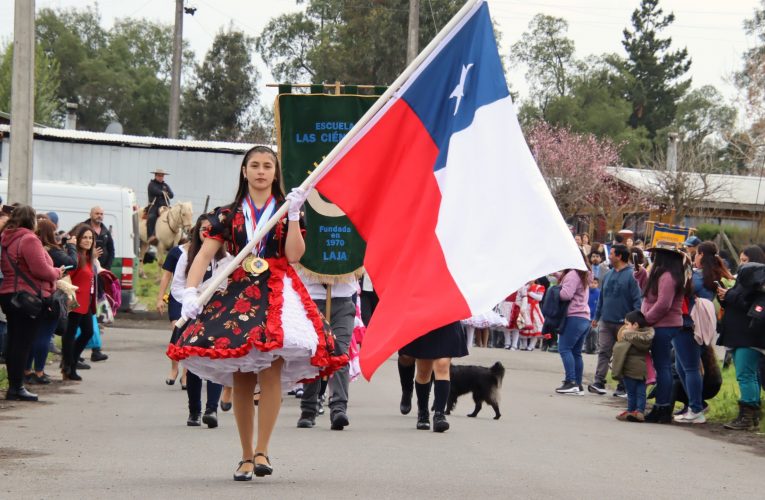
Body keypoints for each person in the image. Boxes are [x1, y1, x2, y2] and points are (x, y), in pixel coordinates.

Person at [166, 146, 346, 481]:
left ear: (275, 173)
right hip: (238, 294)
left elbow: (294, 255)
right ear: (244, 171)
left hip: (279, 291)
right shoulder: (226, 214)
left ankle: (263, 450)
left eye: (267, 166)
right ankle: (245, 454)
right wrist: (191, 292)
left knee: (272, 371)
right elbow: (203, 256)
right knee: (242, 373)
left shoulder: (286, 209)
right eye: (255, 166)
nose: (261, 171)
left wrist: (293, 216)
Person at [171, 215, 229, 428]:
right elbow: (177, 286)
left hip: (217, 315)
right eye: (203, 228)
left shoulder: (226, 259)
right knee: (193, 364)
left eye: (210, 229)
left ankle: (211, 409)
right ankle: (194, 410)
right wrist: (191, 299)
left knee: (216, 361)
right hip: (194, 314)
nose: (207, 232)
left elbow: (230, 285)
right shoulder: (187, 256)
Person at [0, 206, 63, 401]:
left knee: (13, 342)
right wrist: (57, 272)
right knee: (22, 343)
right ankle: (17, 387)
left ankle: (14, 385)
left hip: (9, 294)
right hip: (27, 297)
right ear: (31, 220)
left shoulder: (6, 238)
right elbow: (41, 270)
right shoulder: (28, 239)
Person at [296, 273, 356, 431]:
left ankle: (338, 408)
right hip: (312, 299)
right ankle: (308, 409)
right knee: (313, 353)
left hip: (342, 299)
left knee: (339, 353)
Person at [641, 242, 692, 424]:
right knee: (661, 365)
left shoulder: (668, 277)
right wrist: (640, 274)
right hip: (660, 324)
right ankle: (661, 406)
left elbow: (663, 304)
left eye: (656, 255)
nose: (653, 258)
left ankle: (662, 407)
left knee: (662, 366)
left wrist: (645, 320)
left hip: (664, 325)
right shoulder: (662, 274)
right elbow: (648, 294)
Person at [718, 246, 765, 430]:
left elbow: (748, 304)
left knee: (746, 375)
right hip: (741, 335)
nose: (741, 264)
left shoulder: (757, 282)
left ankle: (747, 417)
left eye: (745, 260)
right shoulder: (747, 280)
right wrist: (725, 296)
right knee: (749, 375)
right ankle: (750, 416)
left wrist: (730, 295)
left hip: (749, 336)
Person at [24, 219, 77, 385]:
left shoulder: (25, 245)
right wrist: (71, 247)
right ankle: (39, 372)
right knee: (44, 336)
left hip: (30, 295)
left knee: (32, 336)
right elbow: (72, 263)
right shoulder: (48, 250)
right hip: (46, 295)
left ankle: (27, 370)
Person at [588, 244, 642, 395]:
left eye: (611, 254)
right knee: (604, 351)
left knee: (622, 354)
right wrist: (597, 317)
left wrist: (634, 322)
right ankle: (599, 381)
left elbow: (637, 300)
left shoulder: (632, 275)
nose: (609, 256)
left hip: (624, 324)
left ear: (619, 256)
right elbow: (602, 298)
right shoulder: (608, 275)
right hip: (606, 321)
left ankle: (622, 386)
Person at [400, 321, 468, 432]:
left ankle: (439, 414)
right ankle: (423, 413)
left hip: (447, 317)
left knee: (442, 365)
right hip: (424, 317)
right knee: (423, 370)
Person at [61, 225, 99, 382]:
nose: (88, 240)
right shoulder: (75, 257)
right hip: (74, 302)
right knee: (69, 335)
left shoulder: (88, 257)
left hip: (86, 303)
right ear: (77, 239)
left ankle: (71, 362)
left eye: (90, 238)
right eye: (85, 237)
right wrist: (70, 299)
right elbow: (65, 277)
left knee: (88, 332)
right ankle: (69, 367)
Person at [555, 251, 592, 395]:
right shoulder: (584, 273)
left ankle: (570, 381)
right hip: (584, 317)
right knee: (576, 352)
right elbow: (573, 285)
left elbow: (566, 294)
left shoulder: (572, 274)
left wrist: (555, 290)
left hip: (573, 316)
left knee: (564, 349)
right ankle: (577, 384)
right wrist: (559, 276)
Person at [611, 311, 654, 422]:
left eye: (627, 324)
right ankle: (639, 411)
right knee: (641, 392)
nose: (625, 327)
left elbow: (619, 351)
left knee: (631, 392)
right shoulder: (646, 338)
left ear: (635, 325)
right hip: (642, 369)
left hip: (629, 369)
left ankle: (631, 410)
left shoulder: (628, 337)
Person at [156, 239, 187, 389]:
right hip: (176, 297)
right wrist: (160, 298)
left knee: (189, 335)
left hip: (195, 298)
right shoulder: (176, 252)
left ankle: (186, 374)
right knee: (177, 330)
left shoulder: (204, 253)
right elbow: (166, 276)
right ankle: (174, 368)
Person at [147, 169, 174, 245]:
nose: (161, 177)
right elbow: (156, 191)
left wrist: (164, 192)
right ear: (155, 176)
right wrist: (163, 192)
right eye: (159, 175)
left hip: (165, 206)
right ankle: (151, 236)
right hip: (155, 205)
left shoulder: (165, 185)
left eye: (162, 176)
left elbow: (171, 195)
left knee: (175, 216)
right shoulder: (151, 184)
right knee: (152, 217)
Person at [584, 277, 600, 354]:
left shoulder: (599, 293)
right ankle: (587, 348)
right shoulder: (586, 292)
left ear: (598, 284)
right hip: (586, 316)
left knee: (594, 332)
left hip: (595, 317)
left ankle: (594, 347)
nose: (593, 284)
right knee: (587, 333)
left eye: (595, 283)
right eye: (592, 282)